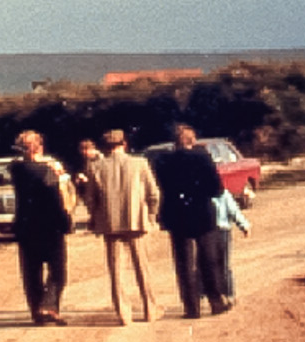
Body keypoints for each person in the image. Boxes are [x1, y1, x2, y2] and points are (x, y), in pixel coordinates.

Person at [152, 124, 229, 318]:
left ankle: (191, 306)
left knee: (184, 262)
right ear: (192, 140)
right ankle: (216, 301)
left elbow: (160, 188)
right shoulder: (202, 158)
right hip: (201, 211)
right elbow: (216, 189)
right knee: (209, 259)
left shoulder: (162, 160)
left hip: (176, 213)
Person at [88, 128, 162, 325]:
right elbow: (153, 193)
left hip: (109, 223)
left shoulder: (96, 167)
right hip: (137, 221)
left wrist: (95, 218)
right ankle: (150, 309)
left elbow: (90, 199)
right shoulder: (139, 163)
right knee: (143, 267)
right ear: (124, 144)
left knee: (116, 270)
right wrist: (151, 216)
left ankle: (123, 313)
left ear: (105, 146)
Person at [8, 129, 75, 325]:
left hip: (26, 226)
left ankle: (37, 311)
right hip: (50, 226)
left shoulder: (16, 169)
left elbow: (24, 165)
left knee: (31, 272)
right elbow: (57, 198)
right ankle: (49, 306)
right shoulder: (48, 172)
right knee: (58, 271)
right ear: (40, 147)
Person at [211, 186, 252, 303]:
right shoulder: (224, 194)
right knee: (224, 264)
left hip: (208, 233)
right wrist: (244, 226)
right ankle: (229, 294)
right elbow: (234, 211)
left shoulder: (203, 194)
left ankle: (216, 296)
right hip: (223, 232)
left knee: (211, 264)